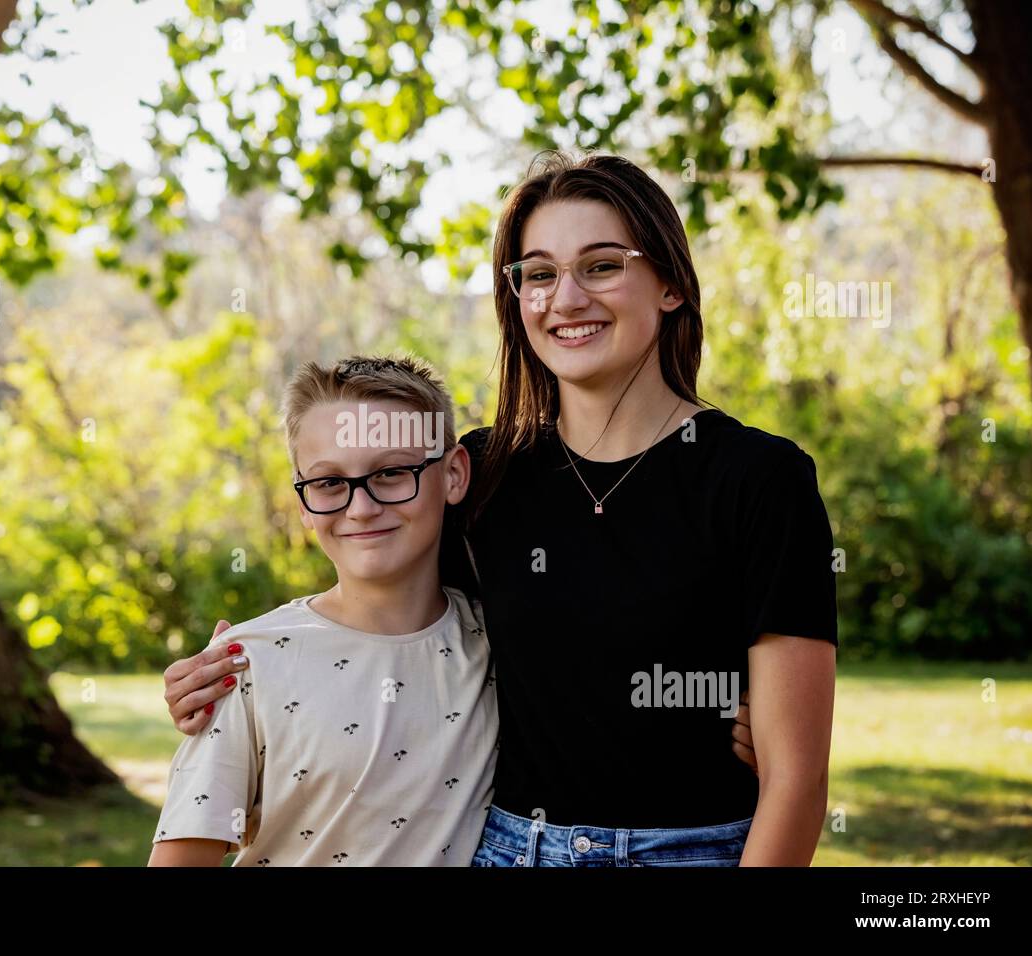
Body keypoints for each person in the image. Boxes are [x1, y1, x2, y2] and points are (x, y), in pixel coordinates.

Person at [164, 151, 834, 866]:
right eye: (539, 274)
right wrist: (236, 683)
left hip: (694, 850)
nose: (565, 298)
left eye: (601, 266)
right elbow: (376, 598)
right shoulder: (482, 473)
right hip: (513, 850)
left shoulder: (760, 479)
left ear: (669, 283)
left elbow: (796, 778)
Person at [149, 356, 496, 866]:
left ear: (453, 474)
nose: (361, 507)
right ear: (303, 501)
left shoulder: (497, 641)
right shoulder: (245, 663)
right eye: (329, 483)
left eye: (393, 472)